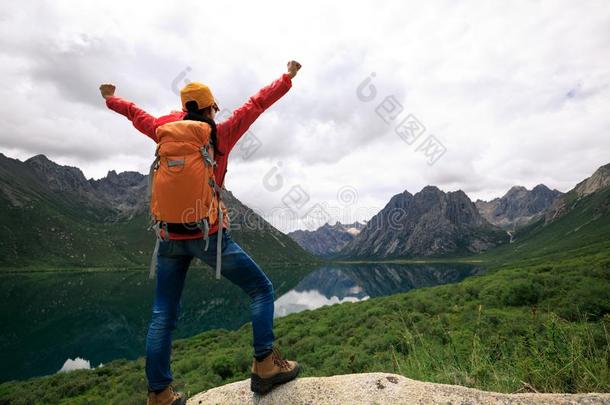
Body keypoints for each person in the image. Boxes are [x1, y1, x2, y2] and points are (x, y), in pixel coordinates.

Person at [99, 60, 302, 405]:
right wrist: (286, 78)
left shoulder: (163, 128)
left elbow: (137, 114)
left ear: (183, 108)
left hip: (168, 239)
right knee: (261, 290)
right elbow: (256, 104)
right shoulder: (219, 133)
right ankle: (265, 365)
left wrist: (111, 100)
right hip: (209, 234)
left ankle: (159, 394)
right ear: (210, 107)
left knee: (163, 315)